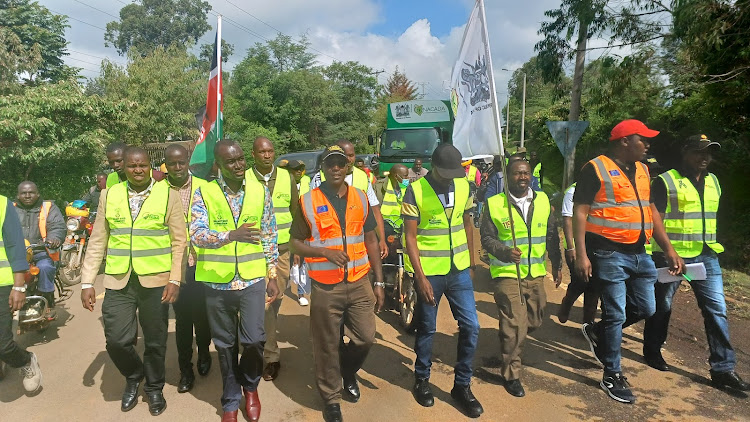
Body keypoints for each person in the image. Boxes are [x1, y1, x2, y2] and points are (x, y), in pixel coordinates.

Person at [573, 119, 684, 404]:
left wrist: (668, 248)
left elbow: (652, 212)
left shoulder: (644, 170)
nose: (648, 145)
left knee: (648, 307)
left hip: (640, 252)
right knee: (616, 313)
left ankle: (597, 332)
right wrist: (581, 254)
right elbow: (580, 212)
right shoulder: (594, 168)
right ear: (624, 141)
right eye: (643, 139)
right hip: (607, 252)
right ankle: (612, 373)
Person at [80, 146, 186, 416]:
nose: (138, 170)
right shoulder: (109, 194)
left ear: (151, 165)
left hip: (156, 280)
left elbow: (179, 241)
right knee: (117, 340)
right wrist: (87, 282)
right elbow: (98, 240)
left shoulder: (168, 195)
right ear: (123, 167)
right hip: (119, 279)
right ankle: (133, 374)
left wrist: (175, 278)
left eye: (143, 165)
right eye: (131, 166)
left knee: (155, 340)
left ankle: (153, 388)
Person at [644, 135, 749, 391]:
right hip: (672, 256)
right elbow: (653, 214)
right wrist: (668, 251)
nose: (704, 158)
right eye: (699, 152)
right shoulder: (666, 180)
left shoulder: (713, 181)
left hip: (707, 255)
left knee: (717, 310)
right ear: (685, 152)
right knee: (662, 306)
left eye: (709, 153)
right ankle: (653, 349)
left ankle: (723, 368)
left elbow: (716, 215)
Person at [289, 145, 385, 422]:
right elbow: (294, 242)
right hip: (325, 285)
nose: (335, 168)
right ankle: (331, 398)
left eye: (340, 164)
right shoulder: (307, 201)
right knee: (326, 344)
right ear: (322, 167)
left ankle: (347, 372)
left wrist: (379, 282)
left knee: (365, 338)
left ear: (347, 168)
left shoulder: (360, 197)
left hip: (359, 282)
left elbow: (371, 240)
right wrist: (323, 252)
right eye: (330, 164)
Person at [190, 139, 279, 422]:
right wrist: (229, 235)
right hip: (217, 282)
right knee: (225, 345)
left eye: (241, 158)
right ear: (219, 165)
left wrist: (272, 272)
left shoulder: (259, 190)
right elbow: (196, 234)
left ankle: (250, 387)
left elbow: (269, 233)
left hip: (252, 279)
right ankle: (231, 399)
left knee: (254, 340)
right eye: (231, 161)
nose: (239, 165)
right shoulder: (204, 192)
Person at [402, 144, 483, 418]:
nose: (449, 177)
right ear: (432, 165)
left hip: (459, 269)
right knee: (427, 328)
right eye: (445, 171)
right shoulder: (415, 190)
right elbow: (410, 237)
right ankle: (422, 379)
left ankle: (462, 386)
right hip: (430, 273)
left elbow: (468, 224)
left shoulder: (464, 186)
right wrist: (420, 277)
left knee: (472, 326)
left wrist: (472, 262)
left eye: (454, 172)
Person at [480, 159, 562, 398]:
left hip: (535, 274)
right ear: (508, 177)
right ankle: (511, 374)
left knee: (534, 321)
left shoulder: (543, 200)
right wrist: (504, 252)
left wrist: (556, 264)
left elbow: (550, 235)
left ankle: (511, 340)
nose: (522, 177)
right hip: (507, 274)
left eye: (526, 173)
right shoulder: (495, 204)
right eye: (517, 173)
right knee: (515, 325)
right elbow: (486, 238)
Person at [160, 144, 212, 394]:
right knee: (182, 320)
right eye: (172, 163)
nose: (178, 167)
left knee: (202, 317)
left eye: (182, 162)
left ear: (188, 162)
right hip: (174, 265)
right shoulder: (158, 190)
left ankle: (204, 353)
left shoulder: (204, 186)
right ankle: (185, 369)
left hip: (201, 262)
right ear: (166, 165)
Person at [249, 136, 298, 382]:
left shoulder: (287, 178)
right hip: (252, 250)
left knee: (271, 302)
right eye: (262, 152)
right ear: (253, 154)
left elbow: (296, 214)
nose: (267, 155)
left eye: (270, 151)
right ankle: (266, 355)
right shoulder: (245, 178)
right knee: (257, 303)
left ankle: (267, 352)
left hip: (281, 251)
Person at [310, 140, 388, 260]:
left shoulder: (362, 177)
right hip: (329, 247)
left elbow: (374, 209)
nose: (349, 159)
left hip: (358, 244)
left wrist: (381, 239)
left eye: (351, 155)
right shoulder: (320, 177)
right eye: (345, 155)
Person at [0, 193, 42, 393]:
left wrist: (18, 286)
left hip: (1, 284)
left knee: (4, 345)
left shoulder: (2, 204)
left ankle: (26, 360)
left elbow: (16, 246)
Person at [14, 181, 65, 313]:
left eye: (31, 192)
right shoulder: (10, 208)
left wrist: (54, 238)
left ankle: (46, 298)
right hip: (16, 253)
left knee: (45, 267)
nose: (27, 195)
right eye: (23, 193)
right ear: (18, 195)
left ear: (37, 194)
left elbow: (57, 226)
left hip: (41, 250)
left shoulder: (48, 207)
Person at [557, 181, 599, 324]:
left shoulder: (603, 190)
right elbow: (567, 220)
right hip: (576, 246)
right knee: (580, 281)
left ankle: (588, 324)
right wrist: (570, 247)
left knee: (595, 286)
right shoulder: (573, 191)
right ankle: (567, 302)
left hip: (595, 246)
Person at [286, 160, 310, 305]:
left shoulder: (309, 181)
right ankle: (282, 284)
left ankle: (301, 292)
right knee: (287, 261)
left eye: (301, 169)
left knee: (301, 261)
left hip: (303, 227)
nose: (299, 172)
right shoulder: (283, 183)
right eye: (295, 170)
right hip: (286, 228)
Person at [374, 164, 409, 231]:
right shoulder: (378, 187)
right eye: (405, 176)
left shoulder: (408, 188)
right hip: (385, 227)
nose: (408, 178)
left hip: (403, 228)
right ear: (396, 176)